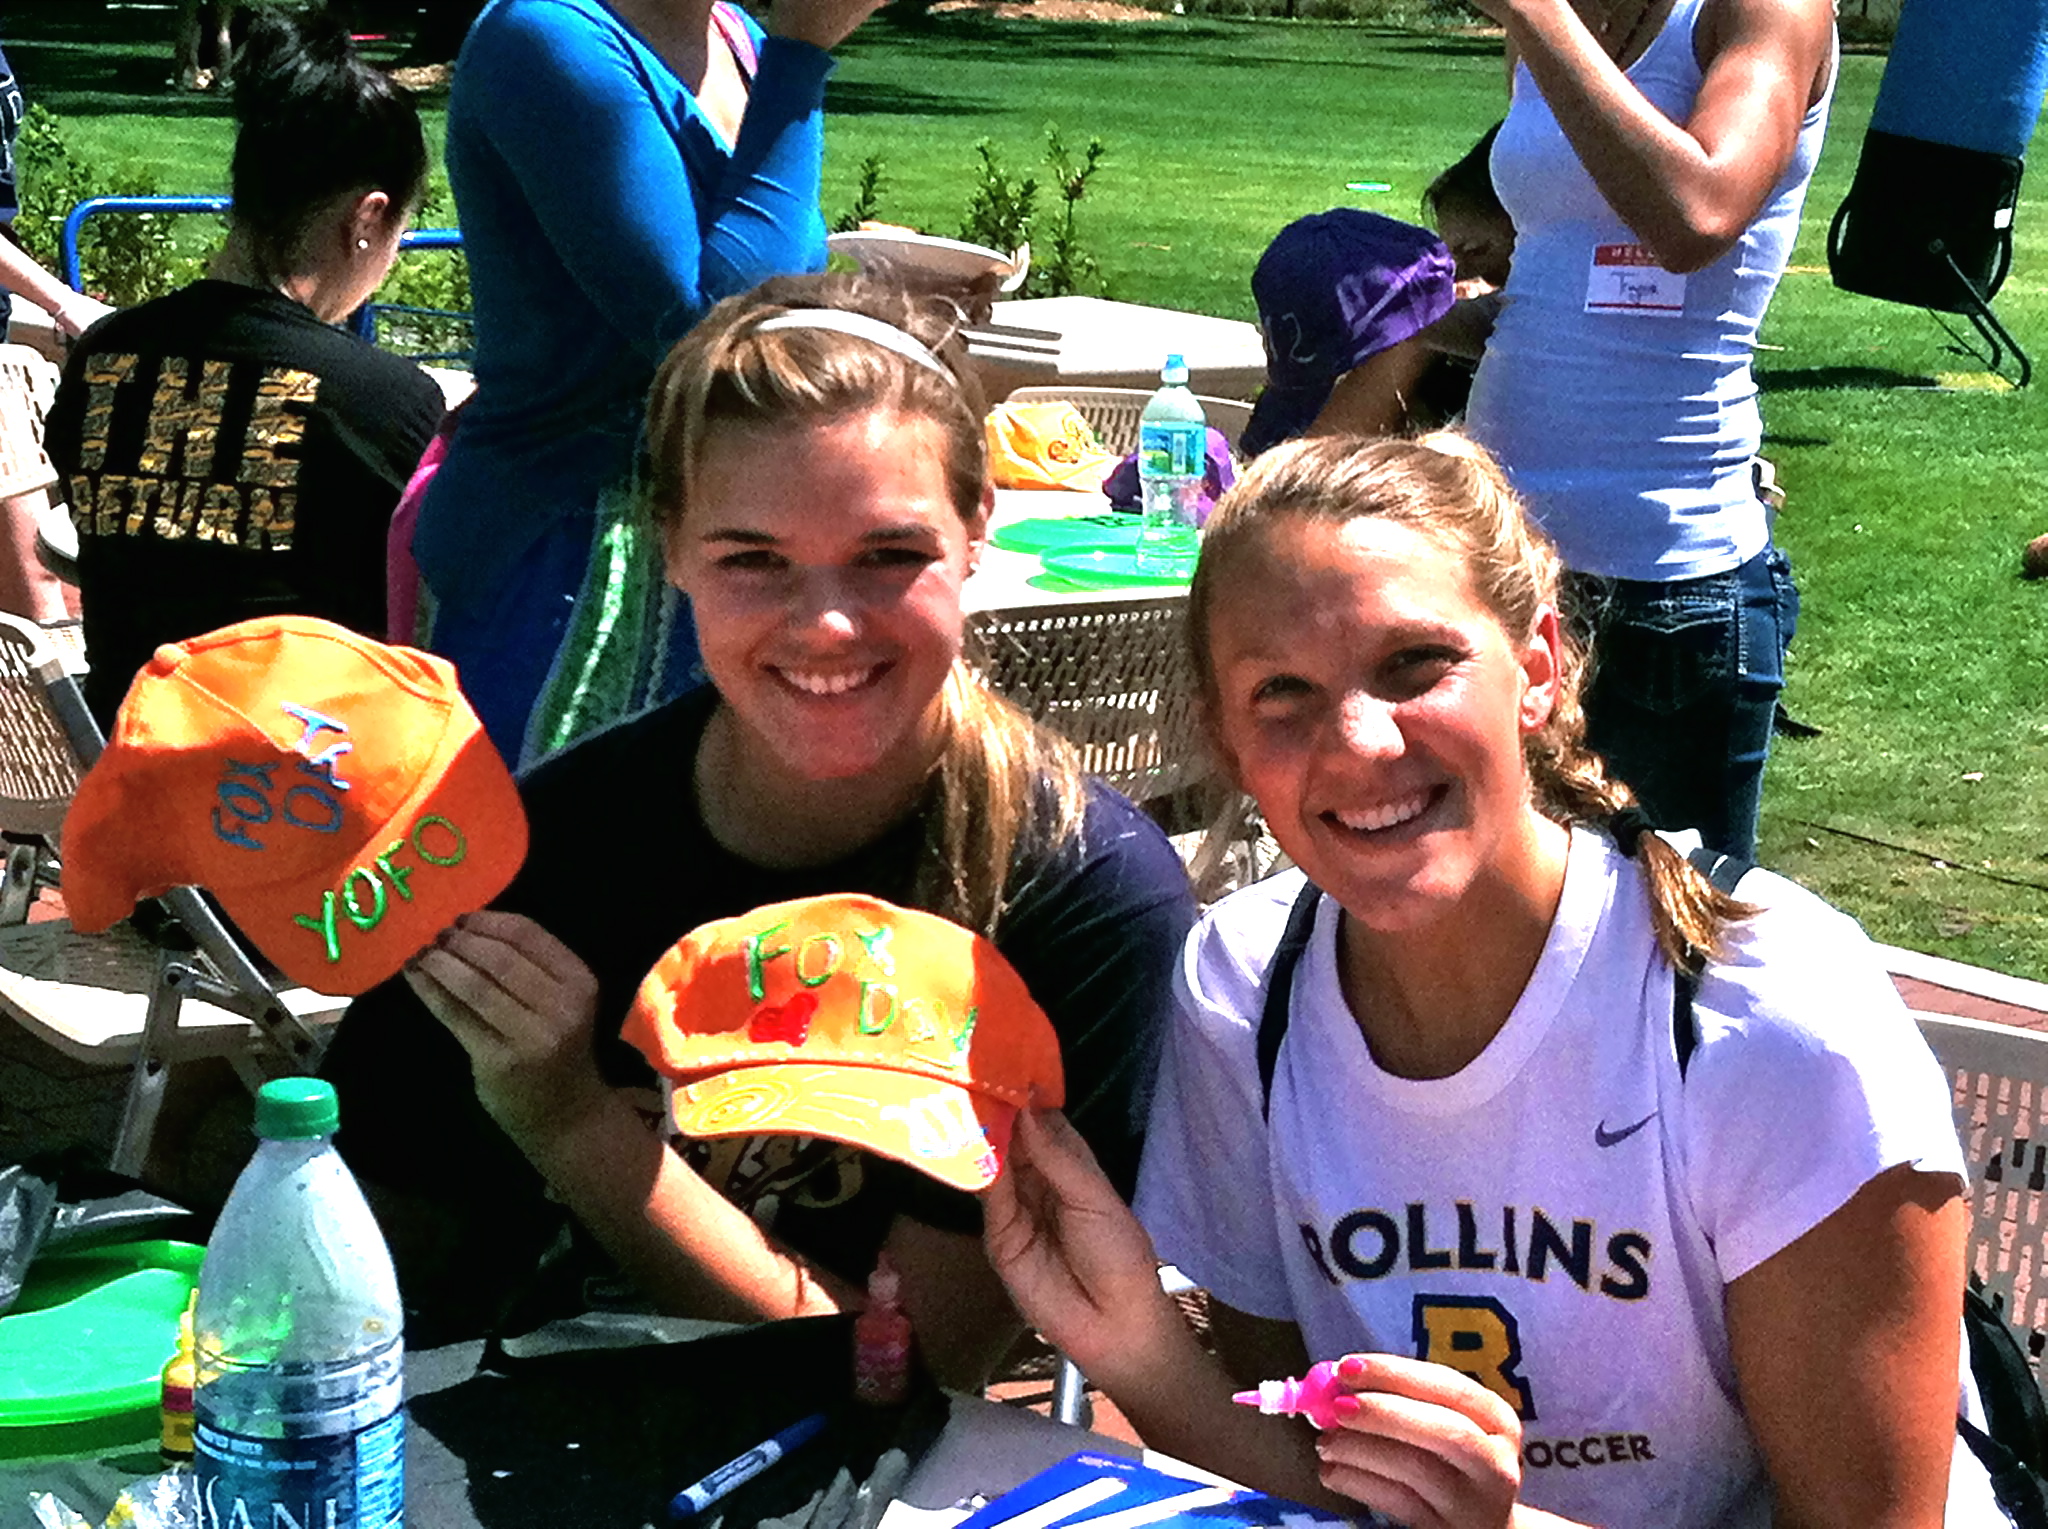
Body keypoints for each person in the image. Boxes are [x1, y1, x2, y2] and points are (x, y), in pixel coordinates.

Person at [983, 434, 2003, 1528]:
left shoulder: (1764, 1014)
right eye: (1282, 692)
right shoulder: (1242, 989)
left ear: (1538, 668)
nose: (1359, 741)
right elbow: (1316, 1481)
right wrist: (1132, 1343)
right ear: (1228, 744)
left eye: (1414, 664)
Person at [322, 275, 1197, 1388]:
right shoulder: (555, 836)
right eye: (752, 559)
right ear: (671, 545)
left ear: (976, 527)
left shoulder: (1081, 895)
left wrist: (574, 1121)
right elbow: (362, 1221)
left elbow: (908, 1371)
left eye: (889, 554)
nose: (825, 622)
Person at [411, 0, 886, 765]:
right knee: (550, 836)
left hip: (716, 536)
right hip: (565, 554)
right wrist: (802, 50)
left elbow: (776, 280)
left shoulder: (737, 35)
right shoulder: (545, 38)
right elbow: (712, 337)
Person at [1460, 0, 1836, 860]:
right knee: (1494, 908)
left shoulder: (1762, 9)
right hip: (1502, 559)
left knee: (1660, 925)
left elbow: (1697, 214)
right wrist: (1438, 325)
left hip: (1662, 593)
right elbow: (1563, 263)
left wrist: (1535, 14)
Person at [42, 11, 444, 733]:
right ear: (367, 218)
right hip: (306, 785)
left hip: (128, 769)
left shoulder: (102, 359)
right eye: (399, 234)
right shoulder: (387, 403)